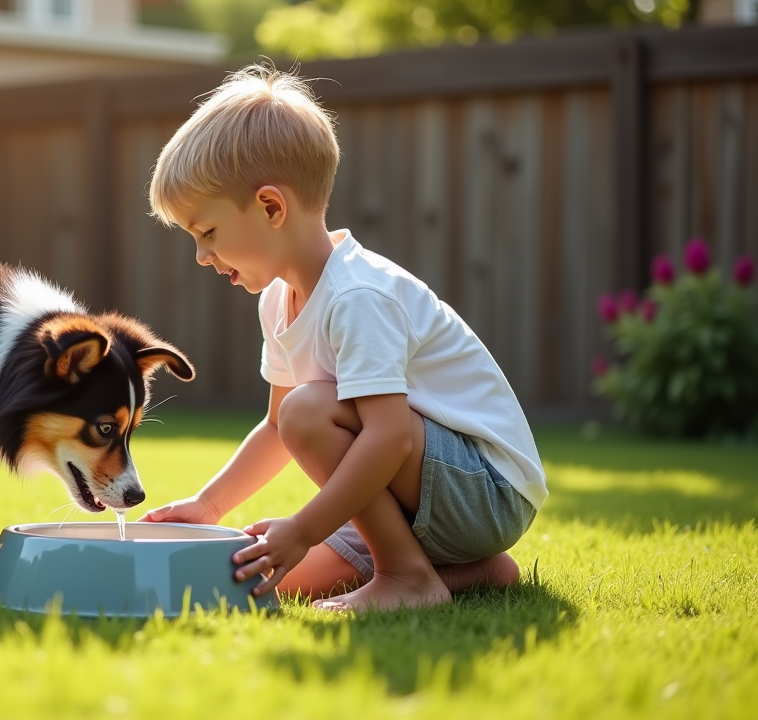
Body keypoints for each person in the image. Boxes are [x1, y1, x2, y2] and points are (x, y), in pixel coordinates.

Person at [138, 63, 546, 613]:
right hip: (424, 500)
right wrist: (210, 505)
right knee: (269, 582)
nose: (202, 255)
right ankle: (472, 573)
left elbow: (388, 437)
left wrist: (304, 527)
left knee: (308, 412)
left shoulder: (358, 296)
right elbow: (278, 428)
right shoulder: (277, 301)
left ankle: (407, 576)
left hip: (485, 492)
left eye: (207, 232)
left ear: (270, 207)